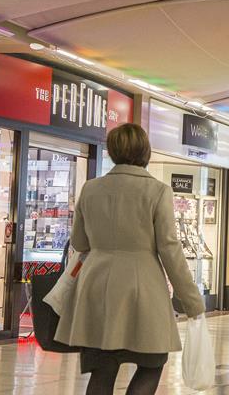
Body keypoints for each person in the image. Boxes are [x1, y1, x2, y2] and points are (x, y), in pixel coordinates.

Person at [54, 124, 205, 395]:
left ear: (112, 151)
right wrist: (191, 299)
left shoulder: (90, 189)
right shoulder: (158, 191)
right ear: (145, 151)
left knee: (102, 369)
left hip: (95, 285)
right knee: (152, 362)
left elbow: (79, 242)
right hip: (142, 289)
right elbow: (169, 249)